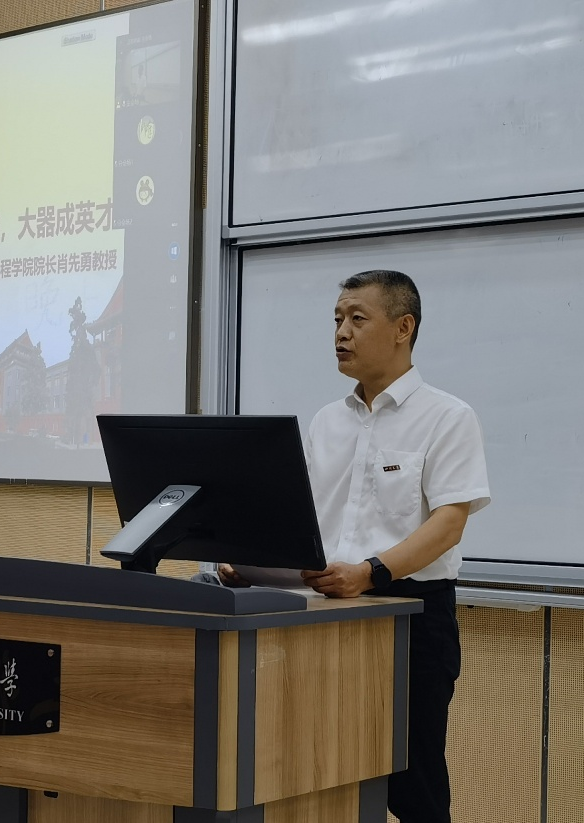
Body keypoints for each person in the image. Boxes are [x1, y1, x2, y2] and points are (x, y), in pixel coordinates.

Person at [221, 269, 490, 823]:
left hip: (411, 619)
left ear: (403, 328)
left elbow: (448, 523)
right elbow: (301, 519)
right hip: (319, 619)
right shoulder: (326, 421)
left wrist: (370, 573)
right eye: (337, 320)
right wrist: (254, 561)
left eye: (357, 319)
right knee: (320, 773)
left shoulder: (447, 417)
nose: (341, 332)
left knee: (413, 789)